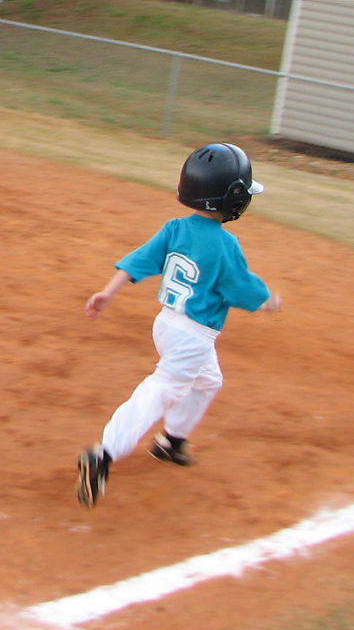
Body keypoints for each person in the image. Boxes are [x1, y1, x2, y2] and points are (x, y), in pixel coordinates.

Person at [75, 143, 281, 508]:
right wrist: (266, 300)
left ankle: (172, 441)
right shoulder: (225, 244)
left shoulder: (175, 228)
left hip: (167, 324)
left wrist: (108, 292)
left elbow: (141, 259)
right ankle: (104, 454)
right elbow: (240, 285)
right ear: (233, 198)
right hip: (194, 336)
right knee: (162, 389)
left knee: (208, 381)